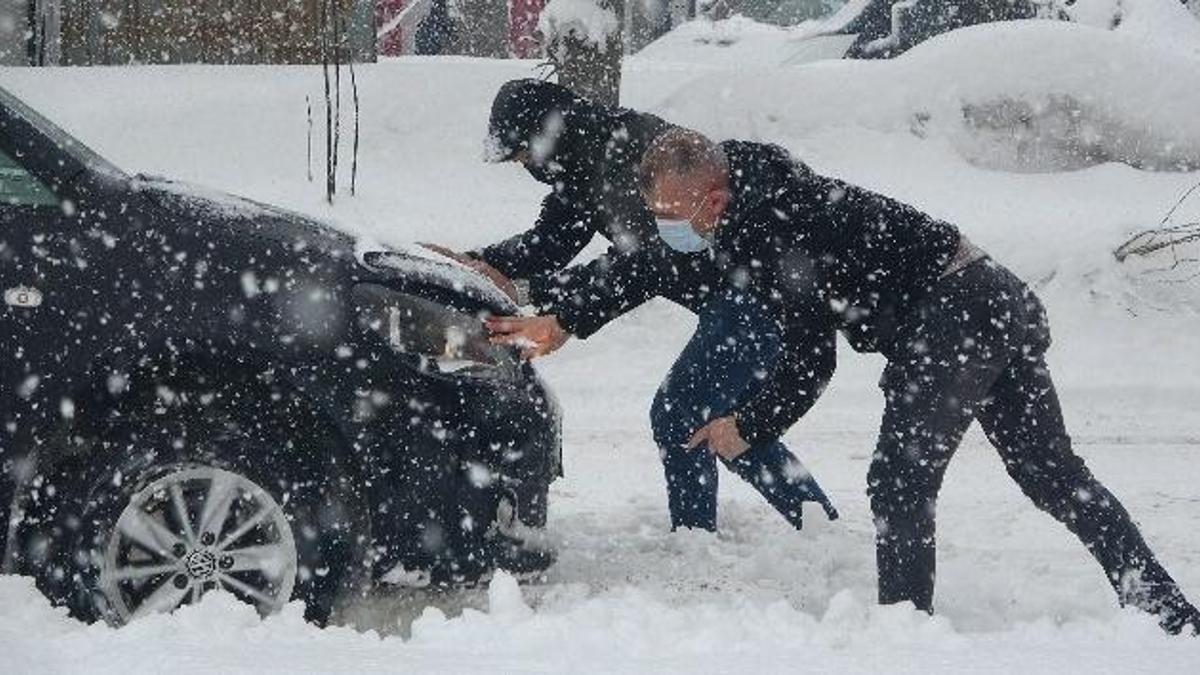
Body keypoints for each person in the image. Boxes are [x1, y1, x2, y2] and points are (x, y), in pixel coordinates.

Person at [631, 127, 1199, 635]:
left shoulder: (775, 226)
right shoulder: (765, 194)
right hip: (995, 295)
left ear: (714, 199)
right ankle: (1167, 614)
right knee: (1050, 472)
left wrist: (748, 426)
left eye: (671, 214)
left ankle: (903, 639)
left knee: (900, 482)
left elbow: (811, 363)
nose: (666, 226)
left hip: (952, 318)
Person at [436, 79, 839, 532]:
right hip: (733, 294)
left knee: (681, 414)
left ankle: (695, 540)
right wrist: (476, 264)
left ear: (545, 134)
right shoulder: (581, 163)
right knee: (727, 426)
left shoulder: (629, 154)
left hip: (751, 290)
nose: (526, 166)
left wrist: (555, 308)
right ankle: (819, 527)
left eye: (524, 154)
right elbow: (549, 243)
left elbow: (644, 264)